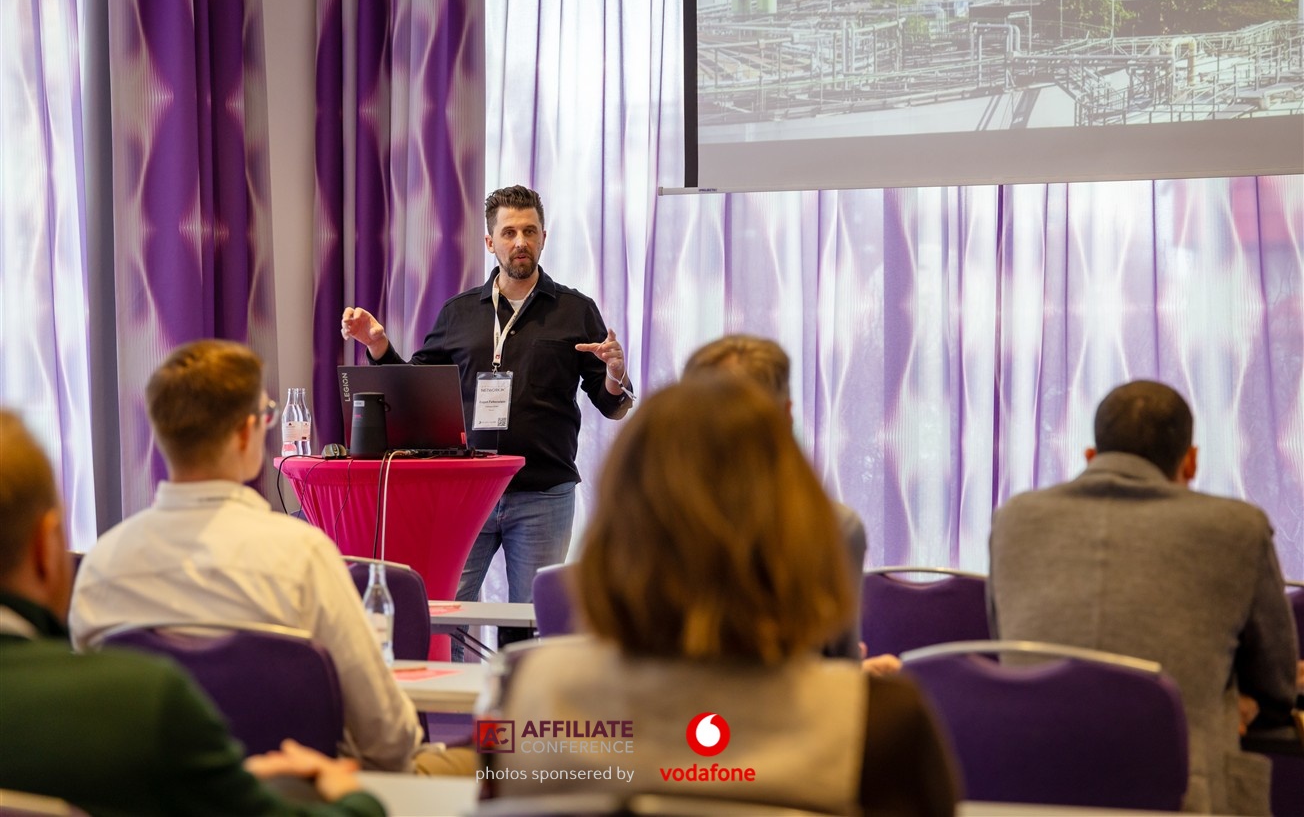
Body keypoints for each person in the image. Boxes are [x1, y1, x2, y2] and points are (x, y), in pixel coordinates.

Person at [482, 374, 958, 816]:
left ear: (614, 530)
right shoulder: (882, 725)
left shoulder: (525, 699)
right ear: (804, 531)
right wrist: (846, 691)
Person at [69, 340, 435, 774]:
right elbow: (387, 739)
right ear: (246, 432)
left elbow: (90, 721)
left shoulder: (102, 565)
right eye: (267, 414)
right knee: (477, 762)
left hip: (147, 796)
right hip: (291, 796)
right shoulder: (304, 556)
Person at [0, 409, 386, 816]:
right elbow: (385, 741)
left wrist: (226, 780)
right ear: (45, 547)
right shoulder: (138, 699)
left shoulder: (104, 563)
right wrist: (354, 798)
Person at [988, 380, 1298, 815]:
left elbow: (1007, 646)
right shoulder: (1238, 527)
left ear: (1091, 458)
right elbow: (1276, 688)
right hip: (1182, 796)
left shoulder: (1014, 519)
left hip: (1028, 790)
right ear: (1190, 462)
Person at [341, 185, 632, 644]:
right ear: (490, 241)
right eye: (509, 232)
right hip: (467, 493)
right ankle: (452, 693)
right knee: (446, 615)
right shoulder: (458, 314)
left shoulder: (576, 311)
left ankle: (517, 693)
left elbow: (611, 404)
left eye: (530, 231)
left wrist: (615, 373)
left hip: (542, 493)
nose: (521, 242)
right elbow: (415, 390)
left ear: (544, 238)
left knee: (529, 624)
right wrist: (378, 345)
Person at [681, 334, 901, 673]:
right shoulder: (833, 529)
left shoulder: (641, 521)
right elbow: (836, 672)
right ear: (786, 415)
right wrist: (853, 677)